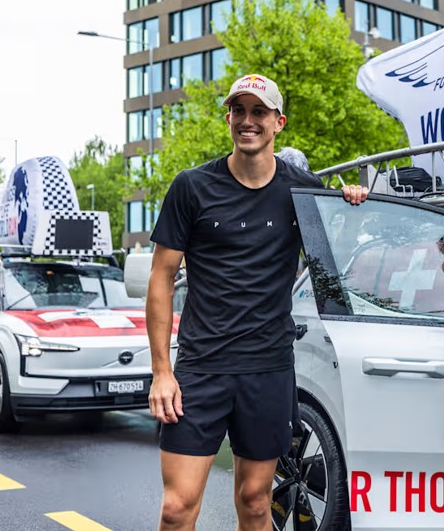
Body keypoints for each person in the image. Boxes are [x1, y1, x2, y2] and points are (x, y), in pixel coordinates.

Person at [145, 73, 368, 531]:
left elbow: (341, 259)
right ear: (229, 117)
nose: (248, 121)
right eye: (239, 111)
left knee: (255, 502)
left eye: (259, 112)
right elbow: (161, 277)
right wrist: (162, 372)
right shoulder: (191, 187)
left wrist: (351, 203)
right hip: (201, 368)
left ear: (278, 122)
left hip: (268, 368)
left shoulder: (302, 191)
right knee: (177, 507)